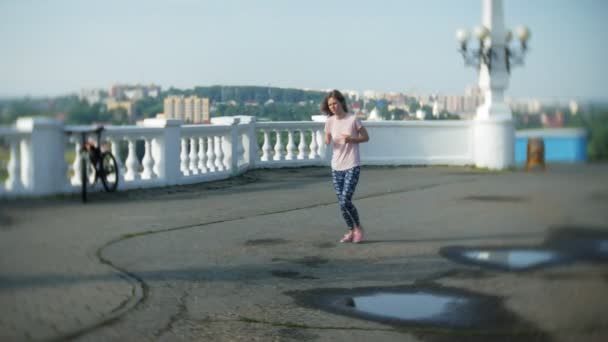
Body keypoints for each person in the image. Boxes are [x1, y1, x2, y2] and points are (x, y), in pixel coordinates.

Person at [322, 90, 370, 243]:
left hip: (352, 164)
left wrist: (351, 139)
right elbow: (327, 137)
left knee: (345, 201)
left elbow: (366, 137)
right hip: (336, 166)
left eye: (335, 103)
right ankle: (351, 230)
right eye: (330, 105)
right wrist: (327, 139)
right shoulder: (329, 121)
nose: (333, 107)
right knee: (342, 205)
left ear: (341, 102)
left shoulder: (353, 119)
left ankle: (359, 228)